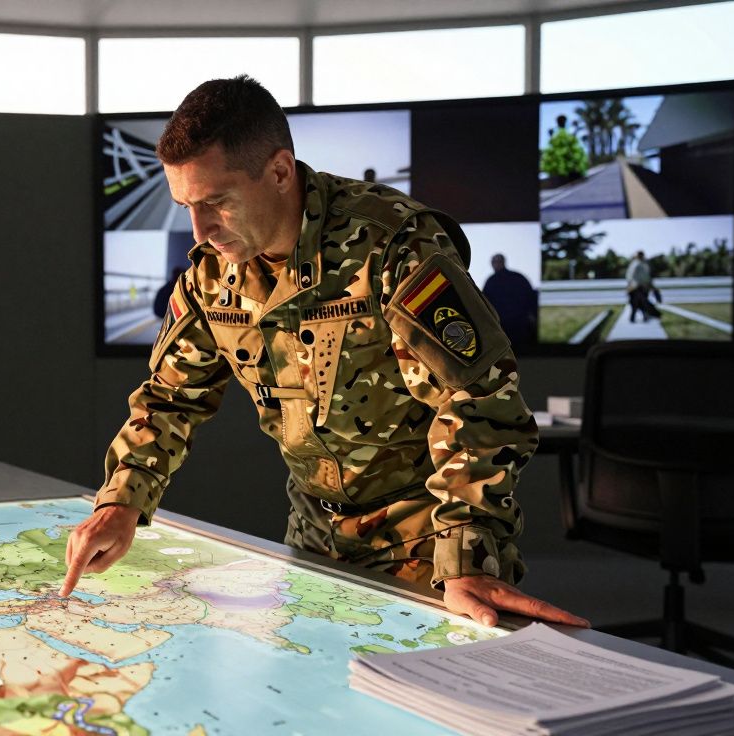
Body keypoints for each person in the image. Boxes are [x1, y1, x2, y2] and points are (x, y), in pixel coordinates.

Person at [60, 76, 587, 630]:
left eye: (217, 201)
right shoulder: (211, 278)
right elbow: (170, 399)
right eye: (186, 205)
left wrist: (467, 556)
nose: (201, 229)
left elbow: (481, 398)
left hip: (430, 544)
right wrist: (121, 503)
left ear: (281, 171)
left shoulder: (393, 246)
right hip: (313, 536)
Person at [482, 253, 538, 346]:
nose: (495, 264)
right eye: (493, 262)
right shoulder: (493, 281)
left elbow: (531, 297)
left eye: (497, 262)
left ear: (503, 262)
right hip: (510, 325)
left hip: (513, 325)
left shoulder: (493, 281)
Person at [625, 251, 660, 322]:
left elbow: (647, 277)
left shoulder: (641, 264)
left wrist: (650, 285)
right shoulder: (637, 264)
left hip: (640, 286)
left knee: (639, 303)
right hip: (637, 287)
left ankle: (641, 316)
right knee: (638, 303)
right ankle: (637, 317)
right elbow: (632, 276)